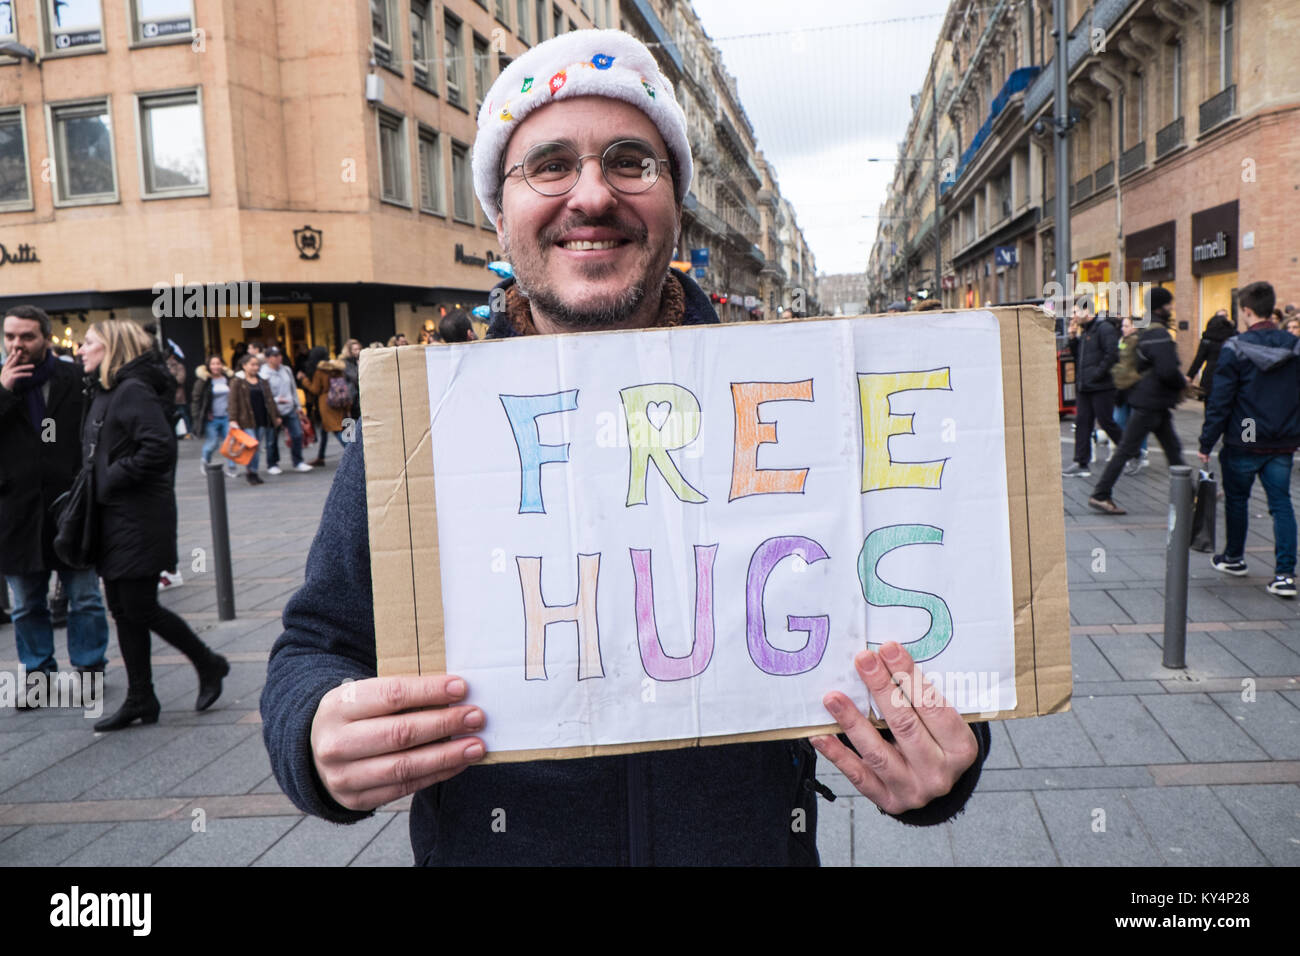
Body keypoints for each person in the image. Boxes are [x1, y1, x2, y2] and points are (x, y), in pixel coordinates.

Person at [261, 29, 988, 867]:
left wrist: (942, 764)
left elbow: (920, 639)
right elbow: (316, 644)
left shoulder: (809, 405)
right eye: (550, 165)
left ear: (675, 197)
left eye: (630, 160)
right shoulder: (425, 420)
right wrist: (314, 733)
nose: (592, 196)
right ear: (499, 211)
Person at [75, 320, 229, 731]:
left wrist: (110, 476)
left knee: (139, 606)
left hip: (138, 518)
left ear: (112, 348)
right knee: (123, 609)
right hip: (116, 516)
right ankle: (141, 696)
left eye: (88, 343)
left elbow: (159, 447)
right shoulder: (109, 389)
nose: (80, 349)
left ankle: (208, 663)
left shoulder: (131, 391)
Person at [1, 305, 111, 704]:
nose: (17, 344)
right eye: (10, 336)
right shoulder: (0, 381)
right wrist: (4, 392)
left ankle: (89, 668)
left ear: (45, 338)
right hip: (16, 510)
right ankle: (38, 675)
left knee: (84, 595)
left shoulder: (74, 376)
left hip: (70, 505)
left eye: (27, 337)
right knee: (26, 602)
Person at [1197, 282, 1300, 597]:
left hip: (1247, 431)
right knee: (1281, 503)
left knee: (1238, 499)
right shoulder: (1294, 346)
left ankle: (1234, 557)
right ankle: (1284, 574)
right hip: (1283, 436)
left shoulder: (1235, 347)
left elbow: (1221, 399)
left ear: (1246, 311)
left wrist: (1206, 441)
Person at [1088, 286, 1187, 514]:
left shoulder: (1145, 329)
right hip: (1150, 403)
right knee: (1126, 450)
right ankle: (1100, 493)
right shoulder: (1159, 334)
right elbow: (1167, 371)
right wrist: (1182, 384)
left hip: (1152, 402)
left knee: (1173, 450)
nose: (1171, 308)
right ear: (1161, 307)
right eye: (1169, 304)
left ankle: (1191, 491)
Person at [1062, 301, 1122, 478]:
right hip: (1085, 387)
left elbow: (1112, 354)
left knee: (1106, 422)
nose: (1072, 317)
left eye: (1074, 312)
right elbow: (1078, 357)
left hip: (1101, 386)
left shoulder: (1103, 328)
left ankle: (1132, 451)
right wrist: (1072, 338)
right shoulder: (1086, 331)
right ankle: (1081, 463)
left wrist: (1097, 374)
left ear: (1086, 310)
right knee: (1082, 423)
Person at [228, 353, 281, 486]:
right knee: (252, 446)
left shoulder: (263, 381)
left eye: (257, 364)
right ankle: (251, 472)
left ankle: (253, 471)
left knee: (256, 447)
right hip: (246, 420)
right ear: (244, 366)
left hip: (261, 418)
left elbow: (270, 400)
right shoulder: (237, 381)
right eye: (252, 364)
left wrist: (276, 416)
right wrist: (233, 419)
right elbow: (232, 401)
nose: (255, 367)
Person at [259, 346, 311, 474]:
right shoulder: (263, 373)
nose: (278, 358)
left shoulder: (286, 370)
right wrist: (277, 400)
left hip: (289, 408)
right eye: (275, 355)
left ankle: (298, 461)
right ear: (268, 358)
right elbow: (263, 394)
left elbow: (293, 389)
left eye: (279, 355)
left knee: (297, 434)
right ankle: (272, 463)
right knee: (272, 439)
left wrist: (298, 407)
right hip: (272, 411)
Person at [297, 355, 349, 466]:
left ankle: (352, 453)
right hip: (338, 401)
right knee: (325, 430)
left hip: (326, 403)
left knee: (336, 429)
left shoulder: (320, 371)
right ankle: (320, 457)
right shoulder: (336, 368)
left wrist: (304, 380)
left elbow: (315, 389)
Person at [191, 355, 236, 477]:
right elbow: (196, 400)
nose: (216, 366)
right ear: (208, 366)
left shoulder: (229, 379)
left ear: (222, 365)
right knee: (213, 443)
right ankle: (205, 461)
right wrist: (197, 417)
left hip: (227, 416)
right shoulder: (204, 381)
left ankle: (232, 468)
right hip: (211, 418)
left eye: (218, 363)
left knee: (230, 442)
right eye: (213, 364)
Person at [1187, 309, 1237, 405]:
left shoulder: (1206, 340)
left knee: (1210, 405)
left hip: (1209, 376)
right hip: (1228, 375)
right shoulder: (1231, 339)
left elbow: (1198, 359)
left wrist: (1190, 376)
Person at [340, 339, 362, 421]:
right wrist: (360, 367)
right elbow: (354, 377)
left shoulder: (359, 360)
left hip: (359, 397)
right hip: (350, 397)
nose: (358, 351)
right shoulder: (345, 362)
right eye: (355, 349)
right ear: (349, 351)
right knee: (350, 424)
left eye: (359, 349)